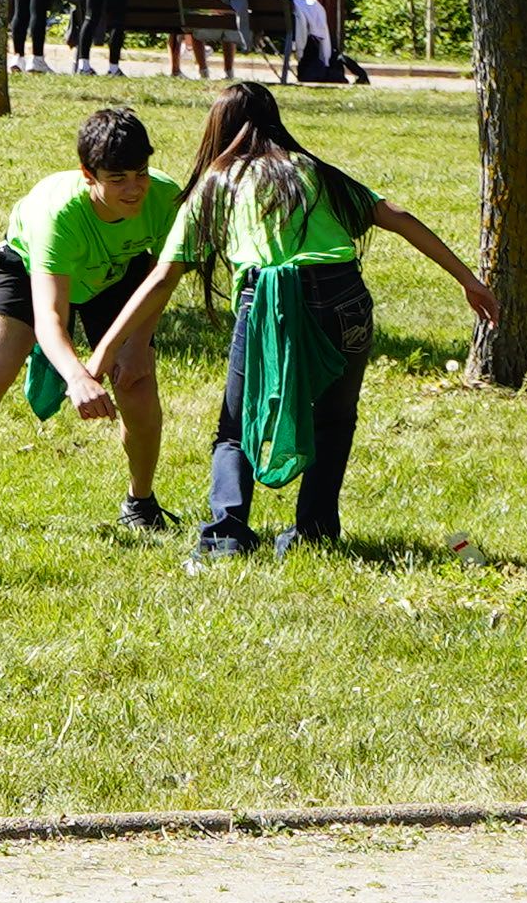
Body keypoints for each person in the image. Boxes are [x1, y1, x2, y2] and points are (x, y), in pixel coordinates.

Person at [114, 80, 496, 558]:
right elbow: (398, 216)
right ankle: (314, 532)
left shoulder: (218, 181)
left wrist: (102, 354)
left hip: (266, 301)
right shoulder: (314, 171)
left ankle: (225, 537)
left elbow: (160, 280)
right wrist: (469, 280)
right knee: (334, 421)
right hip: (345, 297)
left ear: (218, 128)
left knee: (236, 427)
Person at [0, 102, 183, 532]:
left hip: (116, 272)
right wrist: (77, 377)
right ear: (88, 175)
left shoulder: (164, 197)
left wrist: (137, 344)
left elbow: (162, 278)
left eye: (141, 174)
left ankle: (140, 501)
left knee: (137, 387)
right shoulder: (57, 215)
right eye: (118, 179)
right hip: (28, 270)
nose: (135, 189)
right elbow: (50, 318)